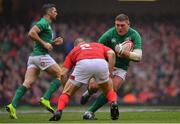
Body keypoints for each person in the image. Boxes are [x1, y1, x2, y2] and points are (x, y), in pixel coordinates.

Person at [6, 3, 64, 119]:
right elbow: (31, 33)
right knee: (61, 74)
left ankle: (13, 105)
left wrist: (52, 42)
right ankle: (46, 98)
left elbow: (42, 40)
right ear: (49, 12)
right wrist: (45, 44)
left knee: (27, 83)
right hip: (41, 56)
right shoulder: (43, 22)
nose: (56, 13)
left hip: (33, 58)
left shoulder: (47, 24)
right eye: (55, 11)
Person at [81, 13, 142, 120]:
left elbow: (138, 57)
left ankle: (90, 111)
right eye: (117, 25)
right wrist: (107, 64)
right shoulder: (109, 34)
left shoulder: (134, 35)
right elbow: (96, 50)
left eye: (122, 25)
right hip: (106, 63)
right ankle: (89, 92)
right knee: (94, 86)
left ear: (128, 24)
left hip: (122, 67)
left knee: (112, 89)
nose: (119, 27)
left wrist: (123, 52)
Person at [49, 38, 119, 121]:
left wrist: (66, 90)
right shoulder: (97, 45)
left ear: (75, 46)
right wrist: (109, 72)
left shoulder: (74, 50)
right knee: (108, 90)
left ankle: (58, 111)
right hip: (101, 63)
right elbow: (112, 54)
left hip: (83, 64)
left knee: (67, 93)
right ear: (85, 43)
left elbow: (63, 73)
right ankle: (114, 103)